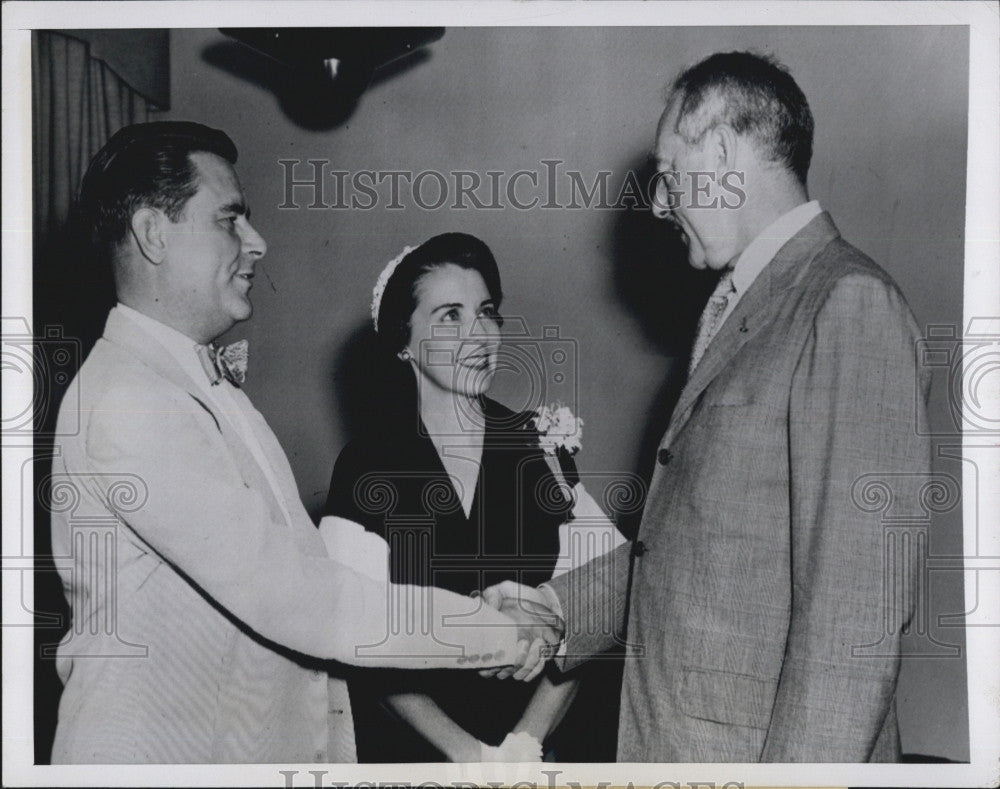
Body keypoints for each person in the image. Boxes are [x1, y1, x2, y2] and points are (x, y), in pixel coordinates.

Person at [48, 122, 553, 764]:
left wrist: (493, 601)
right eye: (231, 220)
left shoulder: (205, 388)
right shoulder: (131, 401)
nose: (257, 244)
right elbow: (303, 600)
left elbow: (313, 572)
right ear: (153, 233)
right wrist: (501, 633)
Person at [484, 51, 932, 762]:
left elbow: (855, 620)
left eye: (668, 174)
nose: (660, 205)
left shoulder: (846, 302)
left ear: (720, 150)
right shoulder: (744, 308)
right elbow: (692, 549)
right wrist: (558, 607)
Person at [324, 232, 621, 762]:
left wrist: (525, 744)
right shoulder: (366, 467)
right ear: (402, 341)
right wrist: (470, 758)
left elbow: (600, 607)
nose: (478, 335)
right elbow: (358, 640)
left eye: (487, 312)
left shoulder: (541, 447)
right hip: (418, 757)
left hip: (530, 754)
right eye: (449, 317)